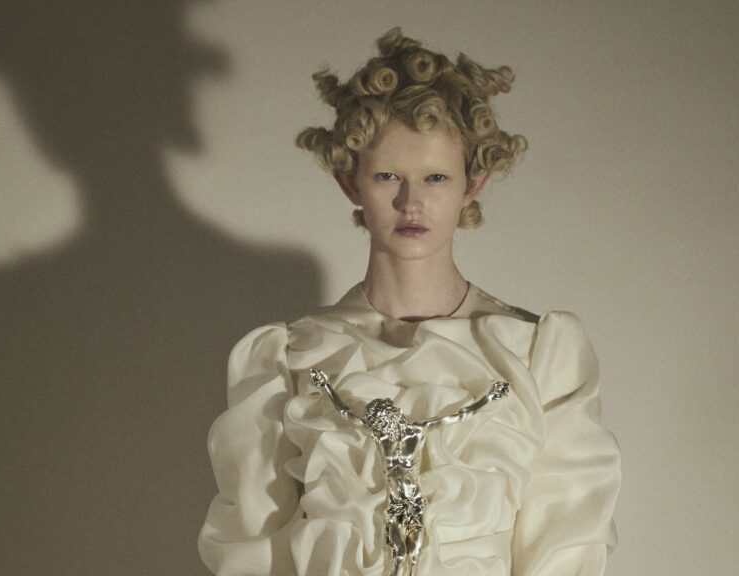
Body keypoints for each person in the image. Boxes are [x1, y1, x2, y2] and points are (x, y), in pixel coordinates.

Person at [198, 28, 621, 576]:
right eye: (387, 176)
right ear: (350, 183)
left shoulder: (539, 357)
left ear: (473, 183)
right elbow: (251, 551)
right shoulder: (287, 360)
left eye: (436, 177)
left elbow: (567, 550)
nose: (411, 202)